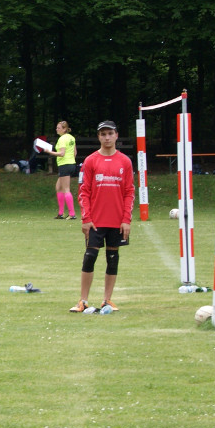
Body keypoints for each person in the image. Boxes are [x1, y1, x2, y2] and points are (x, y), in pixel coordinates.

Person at [69, 120, 135, 313]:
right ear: (99, 137)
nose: (107, 137)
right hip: (95, 222)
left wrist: (126, 220)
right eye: (103, 134)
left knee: (112, 258)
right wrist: (86, 219)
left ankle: (107, 300)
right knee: (89, 258)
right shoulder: (90, 161)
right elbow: (84, 192)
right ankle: (83, 300)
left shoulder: (125, 161)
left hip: (117, 221)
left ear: (116, 135)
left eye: (110, 133)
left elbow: (129, 192)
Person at [48, 120, 77, 219]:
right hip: (71, 164)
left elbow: (61, 153)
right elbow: (75, 152)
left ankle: (72, 214)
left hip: (65, 164)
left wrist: (50, 152)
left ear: (64, 129)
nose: (57, 129)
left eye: (59, 128)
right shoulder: (71, 138)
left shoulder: (62, 139)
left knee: (66, 189)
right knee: (58, 187)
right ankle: (60, 213)